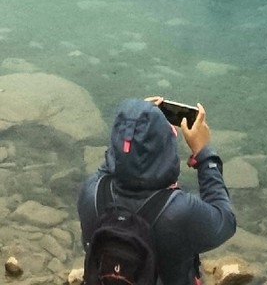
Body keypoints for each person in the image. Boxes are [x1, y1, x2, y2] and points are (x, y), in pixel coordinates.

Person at [79, 98, 236, 285]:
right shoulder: (180, 212)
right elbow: (225, 219)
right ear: (167, 147)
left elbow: (111, 164)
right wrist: (204, 153)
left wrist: (133, 122)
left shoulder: (91, 194)